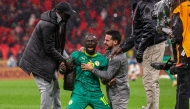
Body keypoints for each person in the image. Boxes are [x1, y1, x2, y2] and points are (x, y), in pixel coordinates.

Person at [19, 2, 76, 109]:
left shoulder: (57, 22)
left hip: (44, 61)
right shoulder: (48, 25)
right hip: (38, 61)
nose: (69, 17)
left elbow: (58, 47)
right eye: (67, 14)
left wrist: (67, 59)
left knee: (55, 88)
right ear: (59, 12)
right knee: (46, 89)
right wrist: (63, 61)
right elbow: (49, 48)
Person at [112, 0, 167, 109]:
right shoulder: (141, 3)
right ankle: (152, 107)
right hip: (152, 43)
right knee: (151, 80)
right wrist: (123, 47)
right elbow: (138, 33)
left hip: (152, 45)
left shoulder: (145, 3)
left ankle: (152, 108)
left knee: (150, 79)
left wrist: (141, 49)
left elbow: (150, 28)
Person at [81, 30, 130, 109]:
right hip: (112, 90)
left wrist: (91, 69)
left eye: (107, 40)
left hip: (119, 93)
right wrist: (86, 51)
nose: (104, 42)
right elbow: (99, 60)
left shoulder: (118, 57)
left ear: (115, 42)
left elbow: (107, 75)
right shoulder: (109, 52)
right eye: (105, 40)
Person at [66, 34, 110, 109]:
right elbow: (65, 67)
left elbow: (103, 80)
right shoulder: (76, 55)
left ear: (97, 43)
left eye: (92, 41)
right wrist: (63, 68)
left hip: (96, 94)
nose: (90, 43)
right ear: (84, 43)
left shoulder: (102, 59)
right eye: (88, 41)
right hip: (79, 93)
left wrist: (108, 81)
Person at [170, 0, 190, 109]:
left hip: (186, 51)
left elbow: (177, 36)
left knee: (183, 87)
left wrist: (173, 36)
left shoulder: (180, 9)